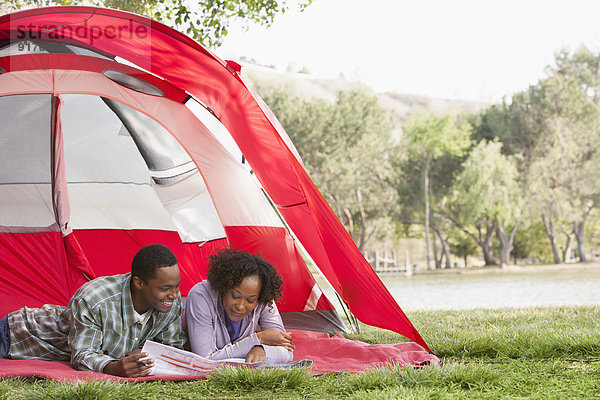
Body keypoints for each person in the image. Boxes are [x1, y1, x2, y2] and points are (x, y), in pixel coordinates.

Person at [0, 244, 186, 377]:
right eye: (165, 288)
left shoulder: (170, 302)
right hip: (16, 336)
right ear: (139, 283)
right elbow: (82, 355)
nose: (174, 294)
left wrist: (143, 352)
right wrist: (112, 368)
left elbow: (170, 349)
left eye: (177, 286)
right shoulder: (94, 299)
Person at [185, 248, 294, 363]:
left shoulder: (263, 297)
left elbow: (286, 350)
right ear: (223, 287)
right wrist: (258, 339)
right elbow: (205, 360)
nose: (241, 306)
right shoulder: (201, 296)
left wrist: (261, 349)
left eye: (250, 300)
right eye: (235, 296)